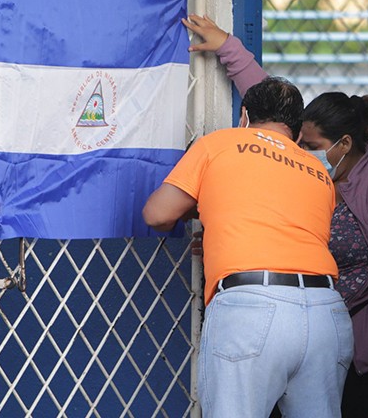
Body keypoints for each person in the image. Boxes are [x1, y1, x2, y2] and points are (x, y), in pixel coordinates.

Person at [183, 14, 368, 417]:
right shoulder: (302, 164)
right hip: (297, 327)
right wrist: (228, 46)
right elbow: (268, 114)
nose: (299, 149)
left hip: (361, 343)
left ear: (344, 143)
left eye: (312, 144)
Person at [143, 77, 352, 418]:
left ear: (244, 116)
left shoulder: (220, 144)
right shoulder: (318, 170)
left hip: (252, 309)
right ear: (297, 133)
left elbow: (157, 214)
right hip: (326, 312)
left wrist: (205, 212)